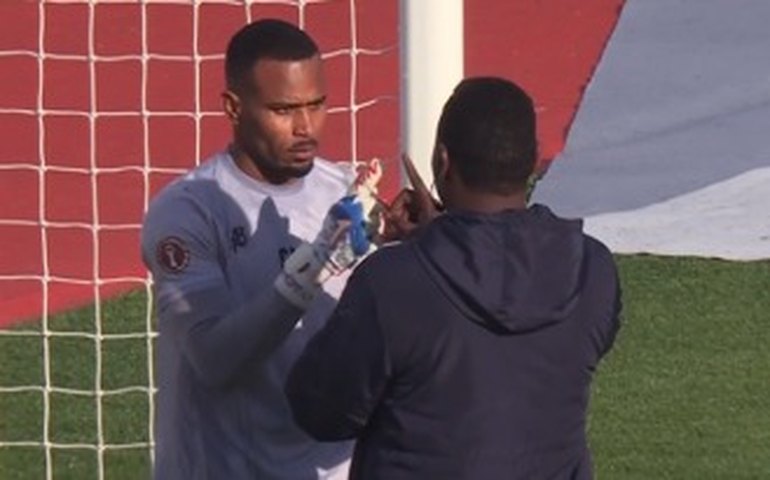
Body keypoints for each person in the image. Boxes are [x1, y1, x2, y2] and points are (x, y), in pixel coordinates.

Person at [286, 77, 622, 479]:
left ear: (442, 162)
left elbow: (320, 412)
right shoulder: (593, 271)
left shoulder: (392, 283)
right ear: (533, 161)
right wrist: (440, 239)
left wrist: (433, 245)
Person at [141, 18, 379, 479]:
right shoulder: (188, 212)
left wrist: (414, 246)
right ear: (233, 107)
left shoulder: (344, 193)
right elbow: (215, 359)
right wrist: (313, 267)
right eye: (284, 109)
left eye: (317, 104)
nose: (306, 127)